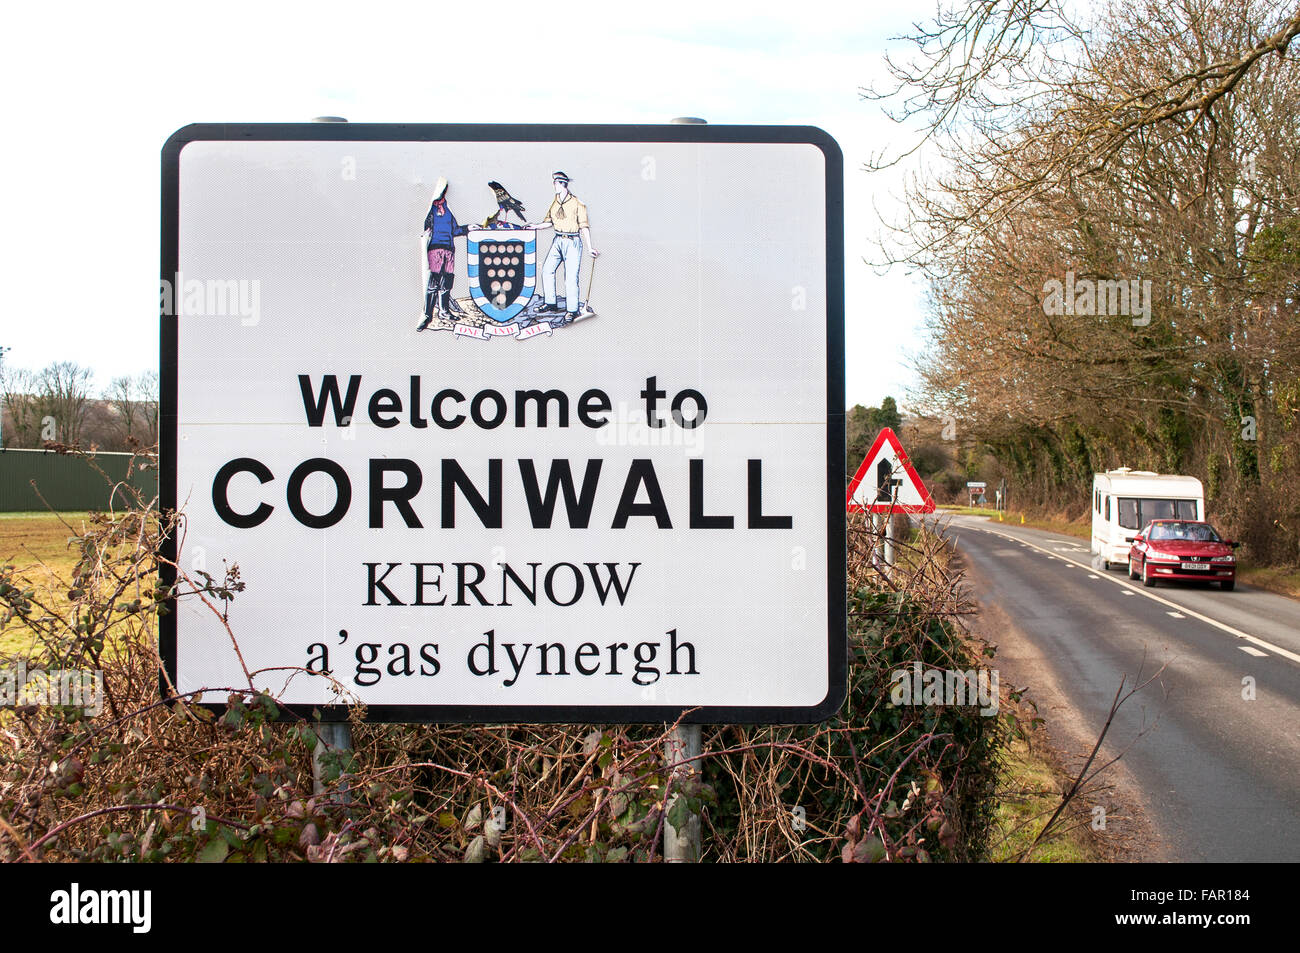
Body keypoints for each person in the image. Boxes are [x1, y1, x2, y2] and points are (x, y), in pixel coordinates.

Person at [529, 171, 599, 322]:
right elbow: (549, 222)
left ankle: (572, 310)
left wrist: (590, 248)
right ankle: (550, 303)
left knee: (571, 277)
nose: (554, 185)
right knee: (547, 269)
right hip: (557, 240)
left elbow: (584, 226)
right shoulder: (555, 201)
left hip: (572, 242)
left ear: (562, 184)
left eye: (555, 183)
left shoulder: (577, 203)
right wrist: (535, 226)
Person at [419, 177, 469, 330]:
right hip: (435, 249)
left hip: (449, 250)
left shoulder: (447, 211)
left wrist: (469, 228)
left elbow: (455, 230)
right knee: (433, 283)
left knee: (446, 282)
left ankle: (444, 311)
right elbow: (425, 229)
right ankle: (427, 314)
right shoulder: (431, 211)